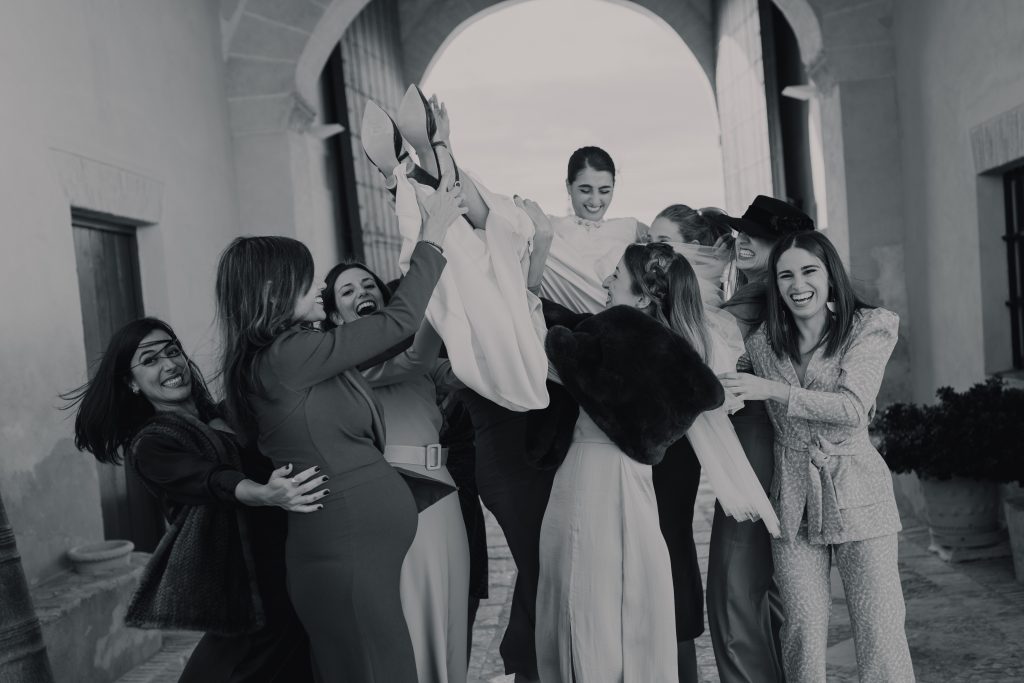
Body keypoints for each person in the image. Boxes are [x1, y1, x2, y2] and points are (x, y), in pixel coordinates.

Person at [214, 177, 461, 682]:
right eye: (309, 282)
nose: (321, 288)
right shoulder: (288, 356)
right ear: (271, 292)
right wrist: (431, 237)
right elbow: (398, 324)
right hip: (346, 557)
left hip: (352, 554)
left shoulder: (288, 354)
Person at [64, 318, 317, 682]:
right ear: (131, 383)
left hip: (288, 566)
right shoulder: (152, 443)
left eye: (172, 351)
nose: (169, 364)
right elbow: (208, 479)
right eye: (150, 360)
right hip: (245, 587)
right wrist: (262, 492)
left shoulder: (227, 413)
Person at [719, 230, 915, 682]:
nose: (797, 284)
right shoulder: (762, 343)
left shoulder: (869, 327)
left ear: (830, 276)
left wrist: (772, 391)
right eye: (785, 275)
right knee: (802, 632)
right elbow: (721, 371)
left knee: (880, 632)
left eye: (809, 271)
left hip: (858, 491)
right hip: (791, 499)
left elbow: (851, 409)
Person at [536, 242, 725, 683]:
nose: (604, 282)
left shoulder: (613, 341)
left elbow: (557, 350)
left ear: (641, 296)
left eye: (615, 276)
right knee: (631, 598)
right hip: (628, 483)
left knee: (586, 597)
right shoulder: (672, 354)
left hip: (594, 478)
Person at [322, 261, 471, 683]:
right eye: (347, 292)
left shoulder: (415, 355)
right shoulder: (345, 361)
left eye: (368, 284)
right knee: (412, 607)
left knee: (449, 602)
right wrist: (437, 304)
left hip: (443, 486)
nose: (361, 292)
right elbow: (413, 360)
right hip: (398, 491)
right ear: (335, 316)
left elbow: (462, 373)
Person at [702, 195, 816, 683]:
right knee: (758, 583)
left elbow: (708, 346)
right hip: (764, 442)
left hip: (755, 444)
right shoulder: (757, 290)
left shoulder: (758, 297)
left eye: (757, 234)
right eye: (740, 231)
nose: (743, 238)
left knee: (734, 582)